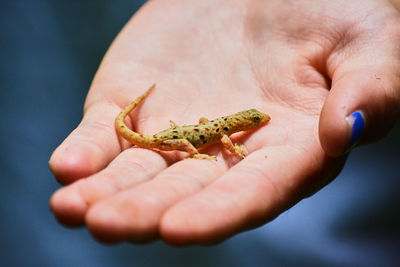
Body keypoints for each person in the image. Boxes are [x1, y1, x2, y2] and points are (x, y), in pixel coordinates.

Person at [48, 0, 400, 245]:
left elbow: (213, 129)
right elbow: (221, 140)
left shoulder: (225, 126)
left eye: (258, 120)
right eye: (257, 119)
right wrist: (201, 153)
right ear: (244, 122)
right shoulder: (226, 132)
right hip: (172, 138)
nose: (262, 121)